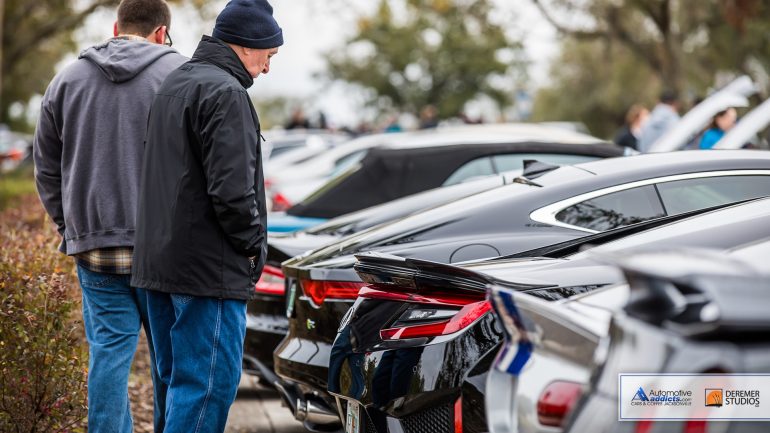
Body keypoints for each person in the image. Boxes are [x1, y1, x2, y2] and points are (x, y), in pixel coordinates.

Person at [33, 1, 186, 432]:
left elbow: (46, 167)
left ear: (116, 27)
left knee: (108, 359)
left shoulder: (66, 80)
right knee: (169, 363)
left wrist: (70, 227)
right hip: (165, 253)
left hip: (95, 249)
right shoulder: (182, 75)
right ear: (161, 33)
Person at [130, 0, 281, 431]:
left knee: (176, 386)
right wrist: (253, 249)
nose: (268, 69)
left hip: (160, 265)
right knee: (206, 389)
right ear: (247, 45)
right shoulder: (226, 93)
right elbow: (232, 194)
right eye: (268, 56)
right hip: (205, 272)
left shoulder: (176, 82)